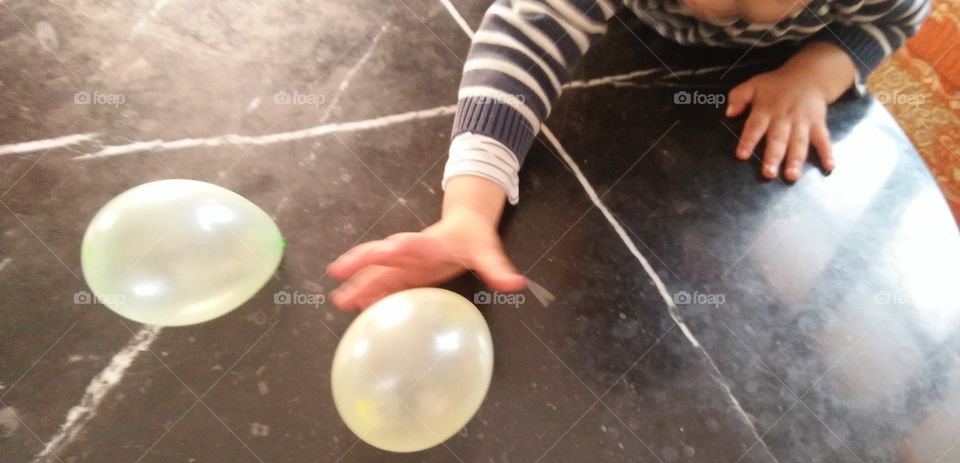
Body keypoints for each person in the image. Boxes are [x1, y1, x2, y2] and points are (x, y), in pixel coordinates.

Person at [329, 0, 929, 310]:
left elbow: (895, 19)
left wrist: (818, 69)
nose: (733, 15)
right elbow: (523, 40)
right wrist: (468, 209)